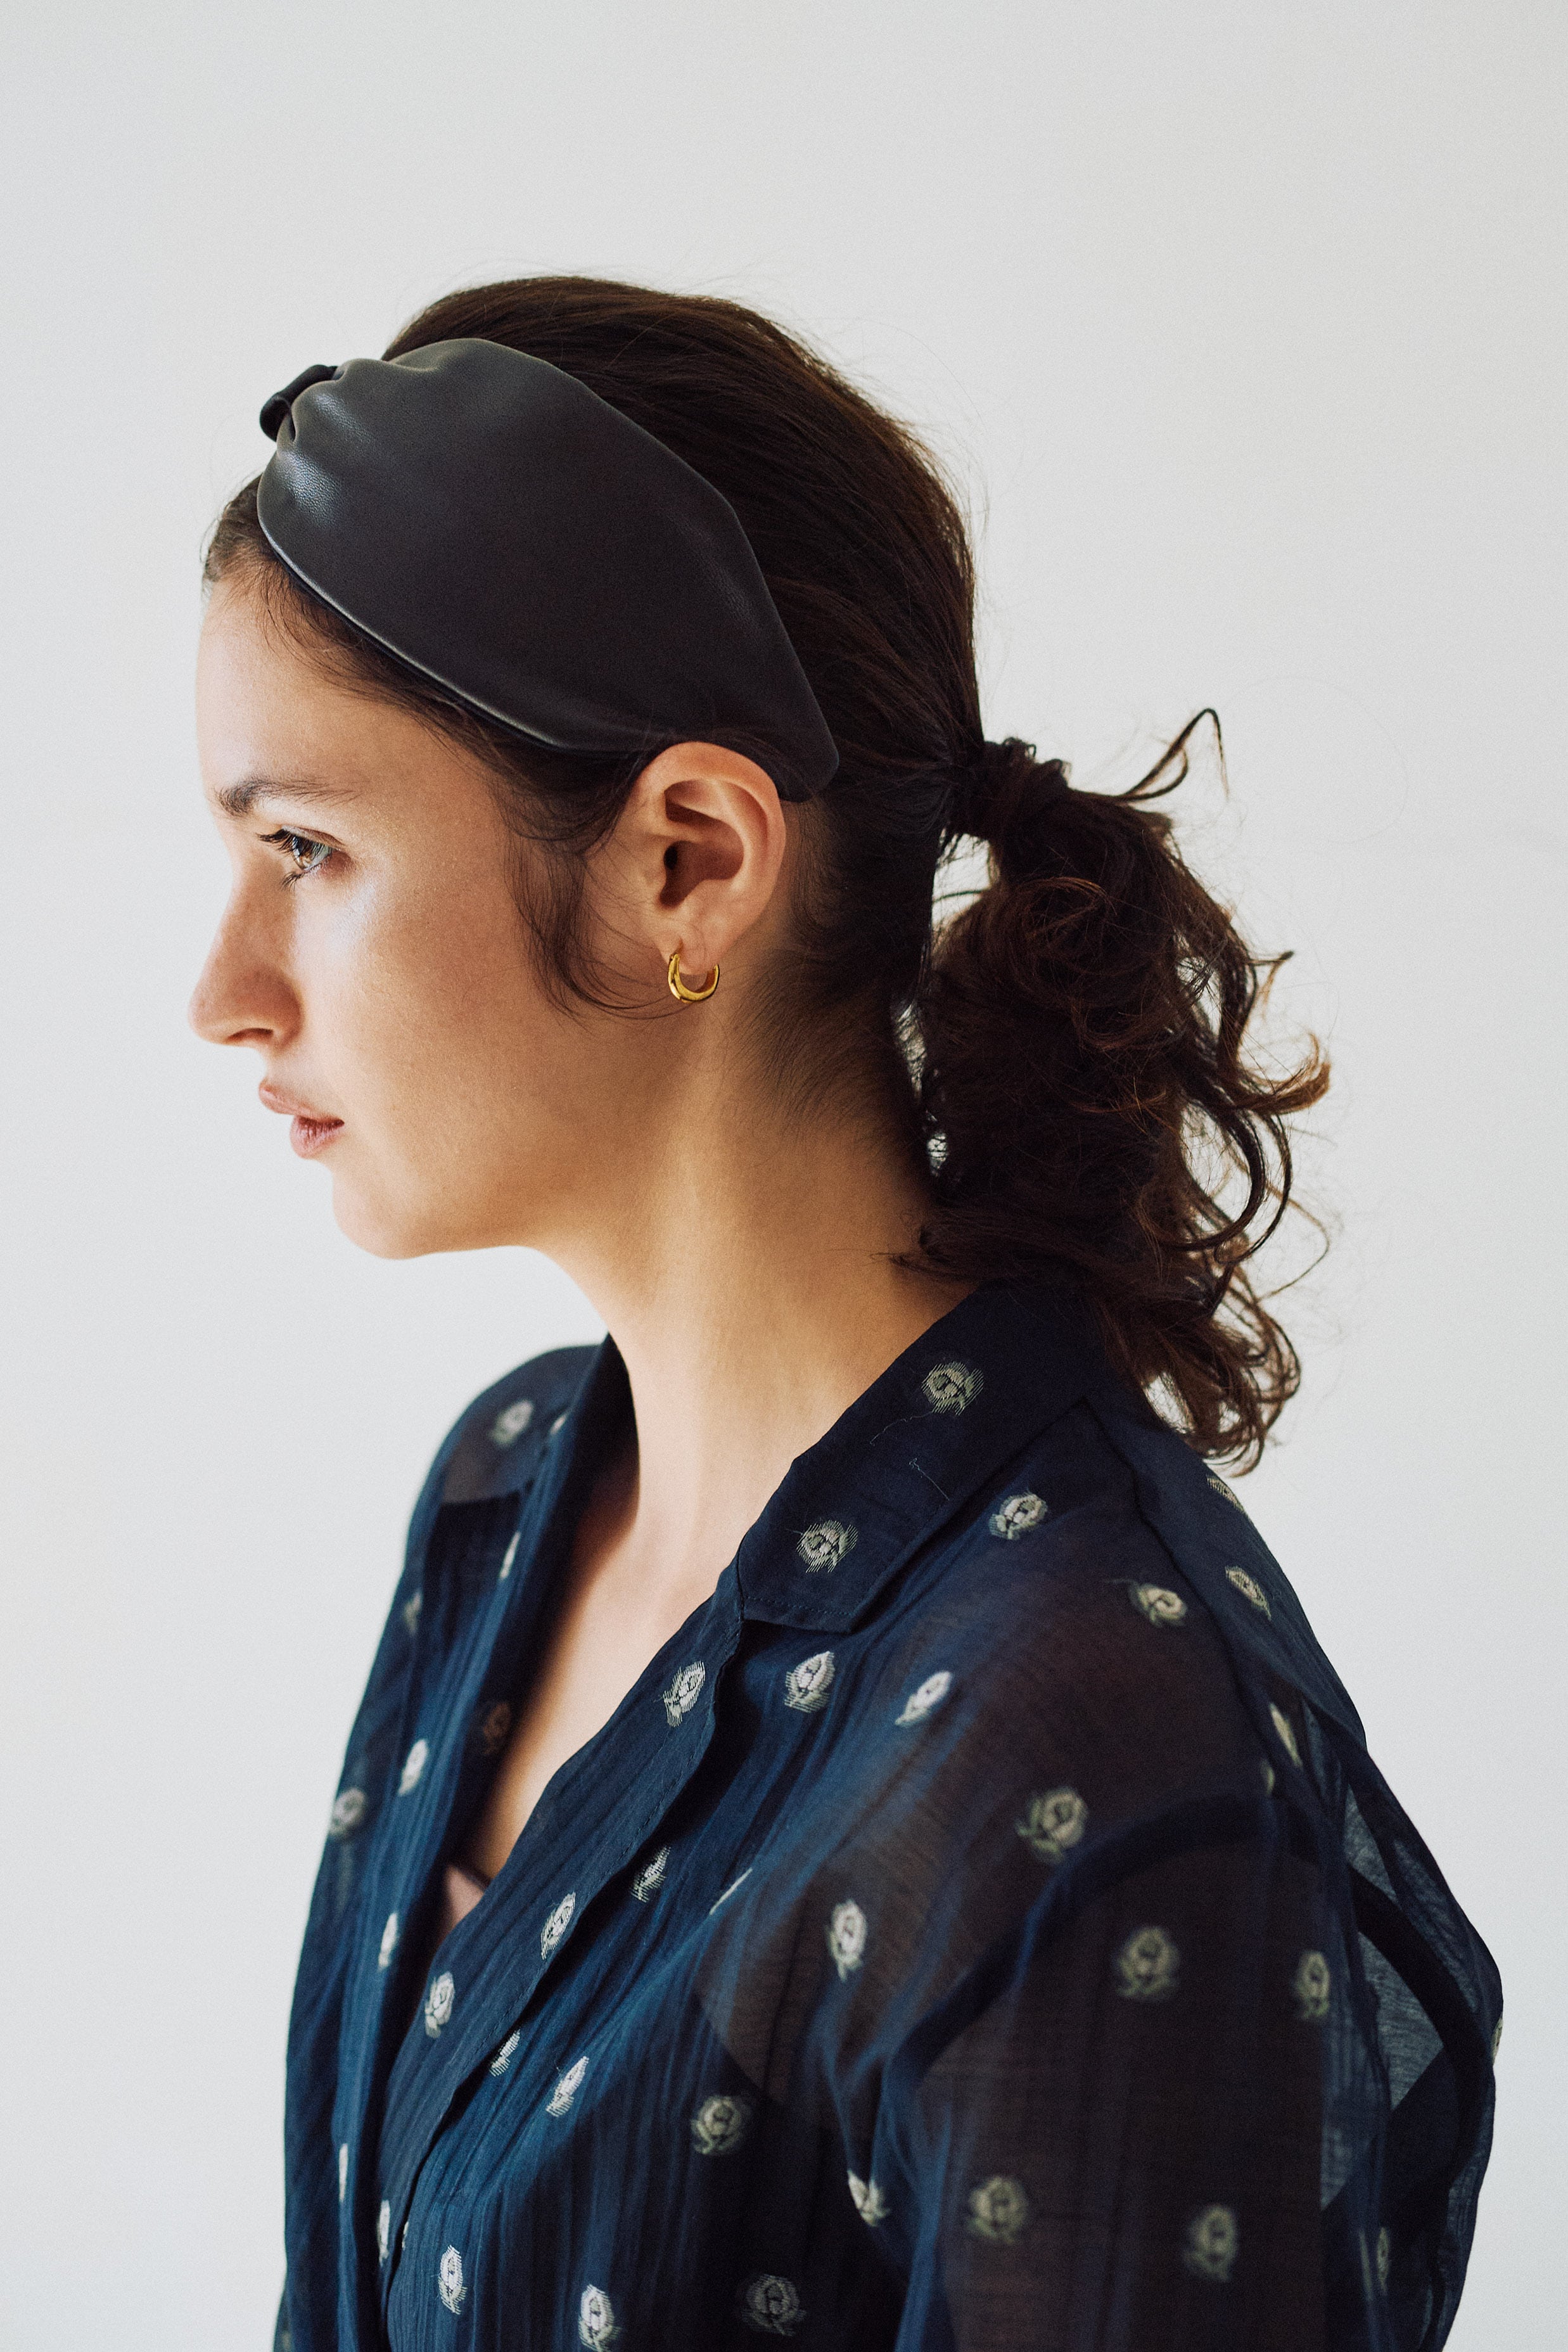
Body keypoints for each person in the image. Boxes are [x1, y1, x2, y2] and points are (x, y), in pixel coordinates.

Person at [191, 279, 1498, 2352]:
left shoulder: (1081, 1732)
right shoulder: (510, 1492)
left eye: (307, 847)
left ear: (689, 863)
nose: (223, 991)